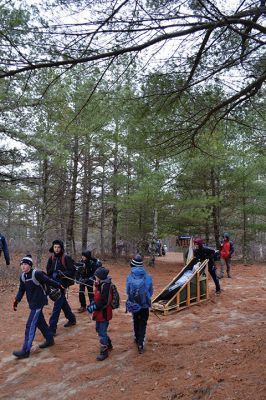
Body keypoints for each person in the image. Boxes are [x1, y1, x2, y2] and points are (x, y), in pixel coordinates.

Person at [12, 255, 61, 359]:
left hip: (38, 303)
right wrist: (17, 300)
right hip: (32, 303)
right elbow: (21, 289)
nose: (23, 266)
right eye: (22, 264)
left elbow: (48, 280)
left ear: (30, 265)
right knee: (40, 322)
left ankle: (25, 350)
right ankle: (49, 339)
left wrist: (59, 285)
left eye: (25, 264)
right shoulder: (23, 276)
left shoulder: (36, 273)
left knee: (30, 326)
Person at [46, 239, 76, 335]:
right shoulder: (51, 259)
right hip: (53, 284)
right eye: (55, 247)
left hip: (62, 284)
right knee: (62, 302)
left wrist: (61, 274)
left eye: (58, 247)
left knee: (57, 306)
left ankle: (52, 328)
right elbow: (48, 271)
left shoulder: (66, 258)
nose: (57, 249)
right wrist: (52, 274)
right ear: (53, 247)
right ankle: (72, 319)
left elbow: (72, 271)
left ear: (61, 248)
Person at [126, 254, 153, 354]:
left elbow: (128, 291)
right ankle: (141, 343)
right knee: (143, 323)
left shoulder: (129, 277)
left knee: (136, 320)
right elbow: (151, 291)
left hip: (134, 304)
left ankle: (137, 338)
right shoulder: (148, 276)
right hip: (145, 304)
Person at [87, 266, 113, 361]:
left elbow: (103, 301)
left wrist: (92, 307)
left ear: (101, 277)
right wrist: (97, 285)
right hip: (99, 313)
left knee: (102, 332)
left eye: (96, 276)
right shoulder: (102, 284)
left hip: (104, 313)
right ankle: (108, 344)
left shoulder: (106, 286)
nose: (95, 278)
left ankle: (104, 351)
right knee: (99, 330)